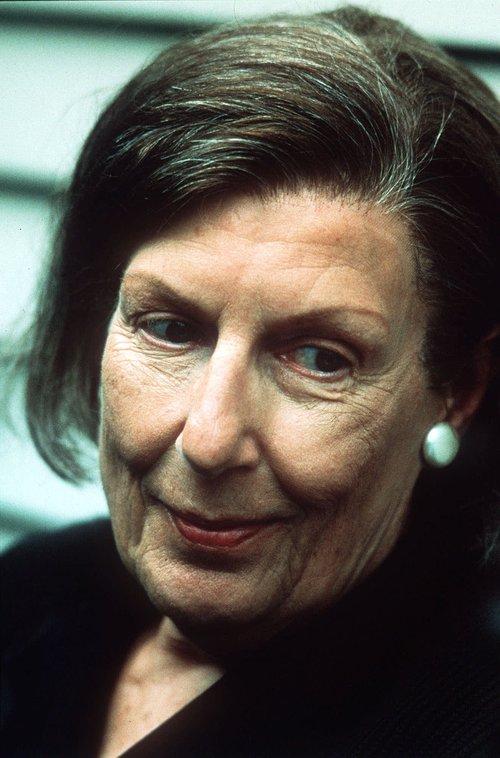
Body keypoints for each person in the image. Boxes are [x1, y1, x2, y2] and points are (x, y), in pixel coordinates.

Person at [2, 6, 499, 757]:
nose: (208, 441)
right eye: (169, 328)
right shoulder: (31, 596)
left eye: (320, 359)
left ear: (457, 389)